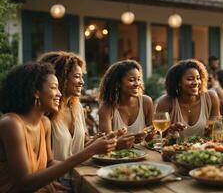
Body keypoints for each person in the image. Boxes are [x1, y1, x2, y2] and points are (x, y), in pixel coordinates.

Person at [0, 63, 116, 192]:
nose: (59, 94)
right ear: (35, 92)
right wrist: (89, 151)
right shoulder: (11, 123)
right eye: (54, 88)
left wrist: (93, 164)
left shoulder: (44, 123)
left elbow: (49, 163)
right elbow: (25, 183)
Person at [156, 59, 220, 138]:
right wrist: (170, 129)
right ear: (178, 82)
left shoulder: (211, 97)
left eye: (198, 78)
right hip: (173, 149)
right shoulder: (165, 102)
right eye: (190, 79)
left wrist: (211, 129)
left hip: (205, 149)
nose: (196, 82)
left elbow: (218, 130)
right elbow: (158, 136)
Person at [98, 60, 155, 147]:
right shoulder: (107, 107)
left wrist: (147, 134)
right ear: (118, 83)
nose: (137, 84)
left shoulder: (146, 102)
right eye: (131, 80)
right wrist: (118, 143)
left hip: (144, 156)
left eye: (138, 79)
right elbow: (105, 143)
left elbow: (151, 135)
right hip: (116, 158)